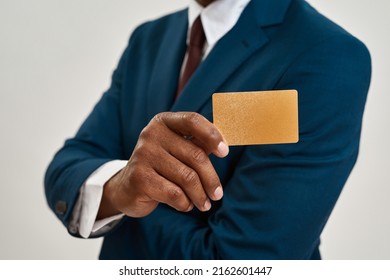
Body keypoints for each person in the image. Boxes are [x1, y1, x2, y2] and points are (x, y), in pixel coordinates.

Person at [45, 0, 371, 259]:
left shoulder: (326, 56)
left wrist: (119, 202)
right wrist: (120, 187)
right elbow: (65, 169)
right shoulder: (147, 40)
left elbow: (245, 262)